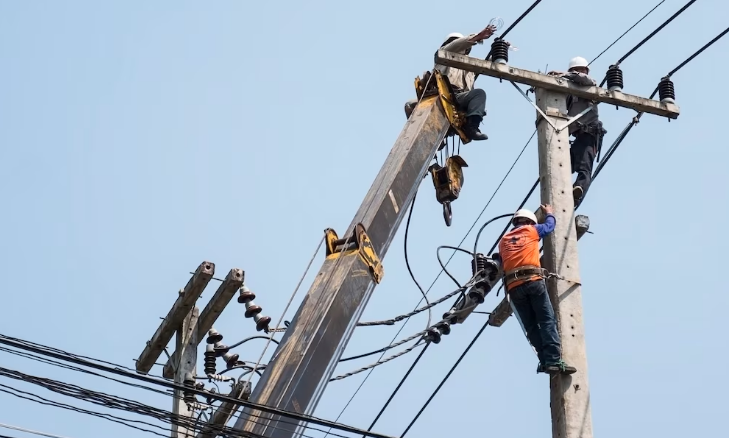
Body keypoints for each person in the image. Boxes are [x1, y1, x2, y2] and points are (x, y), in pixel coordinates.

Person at [498, 206, 577, 375]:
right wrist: (549, 212)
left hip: (514, 287)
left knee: (532, 327)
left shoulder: (503, 240)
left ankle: (544, 360)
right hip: (532, 281)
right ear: (529, 222)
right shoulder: (531, 230)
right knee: (547, 320)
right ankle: (553, 359)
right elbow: (549, 226)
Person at [404, 26, 499, 141]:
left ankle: (472, 128)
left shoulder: (470, 65)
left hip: (459, 99)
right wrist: (477, 37)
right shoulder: (444, 53)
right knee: (410, 105)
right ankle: (422, 135)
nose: (456, 44)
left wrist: (500, 50)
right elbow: (457, 44)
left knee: (479, 94)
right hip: (441, 95)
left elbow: (490, 64)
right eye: (453, 42)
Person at [548, 57, 607, 207]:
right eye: (577, 69)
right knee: (561, 164)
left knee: (584, 168)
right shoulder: (570, 91)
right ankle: (561, 193)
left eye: (581, 69)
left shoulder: (590, 84)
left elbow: (583, 79)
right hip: (578, 137)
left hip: (590, 135)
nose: (579, 72)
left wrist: (562, 74)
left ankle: (577, 193)